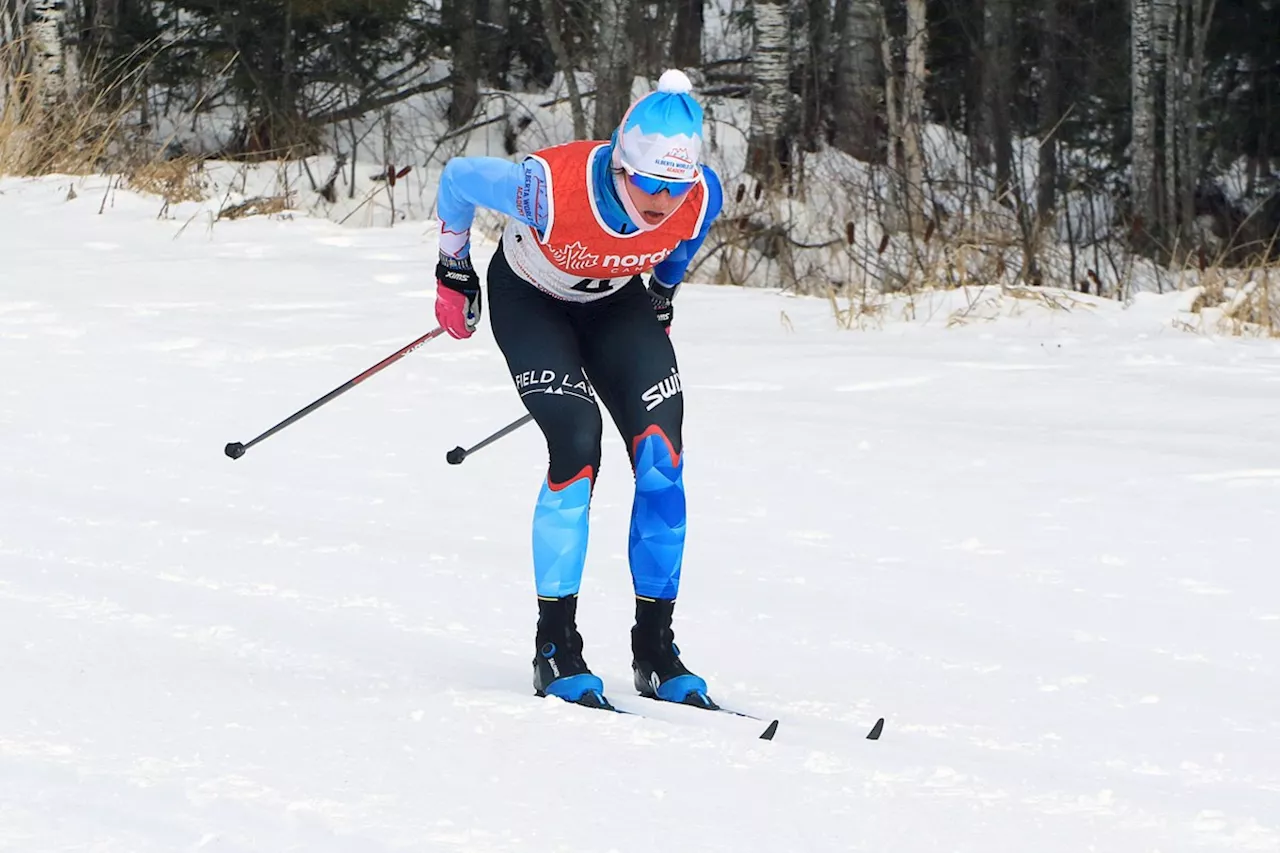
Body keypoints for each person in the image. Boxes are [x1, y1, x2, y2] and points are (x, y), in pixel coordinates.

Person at [431, 69, 724, 711]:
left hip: (614, 306)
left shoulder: (700, 196)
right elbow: (457, 178)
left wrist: (664, 294)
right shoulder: (547, 190)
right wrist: (453, 269)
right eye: (647, 182)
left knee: (662, 461)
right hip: (531, 299)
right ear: (621, 167)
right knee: (576, 444)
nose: (660, 199)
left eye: (673, 187)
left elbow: (679, 244)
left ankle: (655, 650)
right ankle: (555, 647)